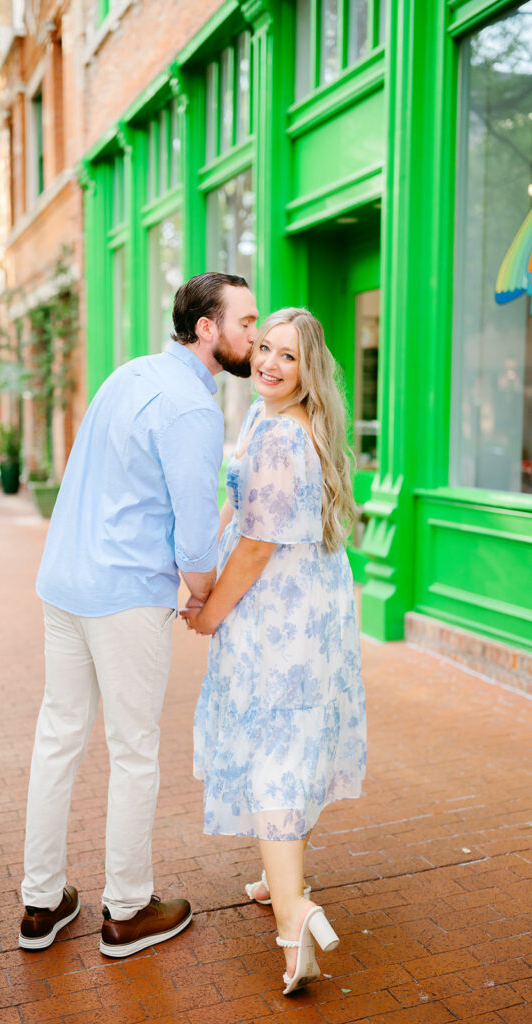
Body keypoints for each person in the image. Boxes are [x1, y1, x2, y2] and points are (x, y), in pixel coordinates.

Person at [19, 272, 259, 957]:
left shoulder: (127, 374)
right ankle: (125, 910)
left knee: (58, 738)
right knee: (132, 751)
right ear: (207, 329)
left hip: (64, 581)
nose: (254, 335)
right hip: (124, 595)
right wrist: (204, 594)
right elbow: (194, 534)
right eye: (246, 322)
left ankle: (40, 904)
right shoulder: (193, 409)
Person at [182, 307, 366, 995]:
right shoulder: (275, 420)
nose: (268, 362)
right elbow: (238, 511)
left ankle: (295, 920)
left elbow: (258, 545)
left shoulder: (280, 435)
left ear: (306, 369)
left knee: (273, 750)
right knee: (295, 740)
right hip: (309, 604)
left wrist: (210, 613)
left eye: (287, 355)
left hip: (277, 614)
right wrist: (199, 565)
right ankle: (278, 874)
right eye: (263, 347)